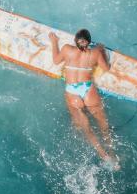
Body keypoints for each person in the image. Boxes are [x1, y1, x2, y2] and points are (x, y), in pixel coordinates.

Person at [48, 28, 120, 170]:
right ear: (89, 42)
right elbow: (106, 68)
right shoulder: (95, 53)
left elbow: (56, 60)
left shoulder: (67, 49)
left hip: (72, 92)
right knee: (102, 124)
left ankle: (104, 156)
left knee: (86, 128)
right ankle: (113, 154)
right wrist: (102, 50)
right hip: (88, 89)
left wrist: (54, 42)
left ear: (75, 41)